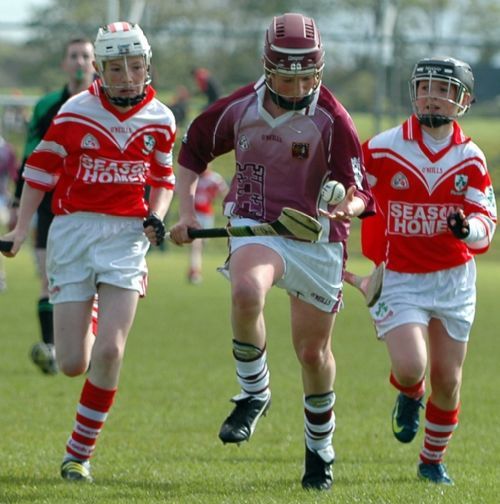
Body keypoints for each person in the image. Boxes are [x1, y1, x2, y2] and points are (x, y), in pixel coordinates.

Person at [169, 12, 374, 491]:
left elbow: (361, 191)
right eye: (287, 77)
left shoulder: (333, 117)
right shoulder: (240, 107)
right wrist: (187, 213)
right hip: (255, 224)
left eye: (307, 76)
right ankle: (253, 392)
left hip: (316, 238)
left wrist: (347, 205)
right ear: (268, 68)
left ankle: (320, 449)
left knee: (313, 353)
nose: (299, 86)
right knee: (246, 289)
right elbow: (192, 152)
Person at [1, 21, 176, 483]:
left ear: (147, 65)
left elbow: (162, 178)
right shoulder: (75, 112)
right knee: (71, 363)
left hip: (125, 238)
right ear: (100, 68)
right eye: (115, 68)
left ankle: (78, 454)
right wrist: (19, 230)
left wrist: (157, 214)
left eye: (134, 66)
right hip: (73, 232)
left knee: (111, 351)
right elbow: (39, 171)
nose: (126, 77)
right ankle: (92, 308)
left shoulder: (161, 119)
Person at [348, 56, 497, 485]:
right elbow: (353, 188)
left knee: (448, 381)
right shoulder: (384, 147)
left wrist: (467, 229)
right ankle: (410, 393)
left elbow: (486, 221)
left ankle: (432, 461)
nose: (432, 96)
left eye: (444, 89)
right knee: (412, 367)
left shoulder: (470, 157)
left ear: (463, 99)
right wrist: (343, 207)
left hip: (453, 281)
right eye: (425, 87)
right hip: (400, 277)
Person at [10, 37, 95, 375]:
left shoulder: (105, 104)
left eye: (85, 56)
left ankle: (89, 348)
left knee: (96, 280)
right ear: (64, 63)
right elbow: (31, 155)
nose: (79, 62)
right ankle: (52, 349)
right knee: (48, 277)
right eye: (73, 55)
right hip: (50, 204)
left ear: (95, 64)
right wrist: (18, 202)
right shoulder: (47, 105)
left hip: (92, 204)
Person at [187, 167, 229, 284]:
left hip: (207, 215)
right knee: (196, 243)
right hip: (194, 214)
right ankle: (195, 271)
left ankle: (194, 268)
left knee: (202, 243)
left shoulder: (214, 178)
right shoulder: (192, 177)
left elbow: (225, 193)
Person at [0, 132, 18, 292]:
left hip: (2, 198)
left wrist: (15, 201)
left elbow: (14, 175)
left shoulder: (7, 150)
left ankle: (0, 277)